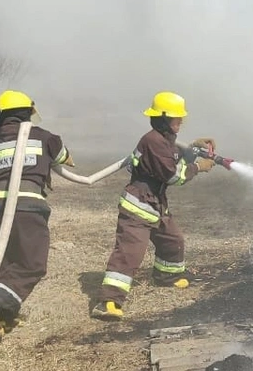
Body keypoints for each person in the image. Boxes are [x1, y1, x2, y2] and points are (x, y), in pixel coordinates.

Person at [91, 91, 216, 320]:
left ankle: (166, 277)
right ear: (164, 119)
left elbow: (173, 158)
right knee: (129, 253)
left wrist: (193, 148)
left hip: (155, 203)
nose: (181, 121)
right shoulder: (153, 141)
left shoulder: (161, 140)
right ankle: (108, 301)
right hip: (138, 206)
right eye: (177, 117)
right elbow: (173, 175)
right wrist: (200, 167)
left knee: (172, 240)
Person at [0, 90, 74, 340]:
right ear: (29, 113)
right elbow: (64, 157)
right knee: (32, 264)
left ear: (0, 116)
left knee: (4, 262)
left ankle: (3, 316)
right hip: (26, 204)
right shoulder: (43, 136)